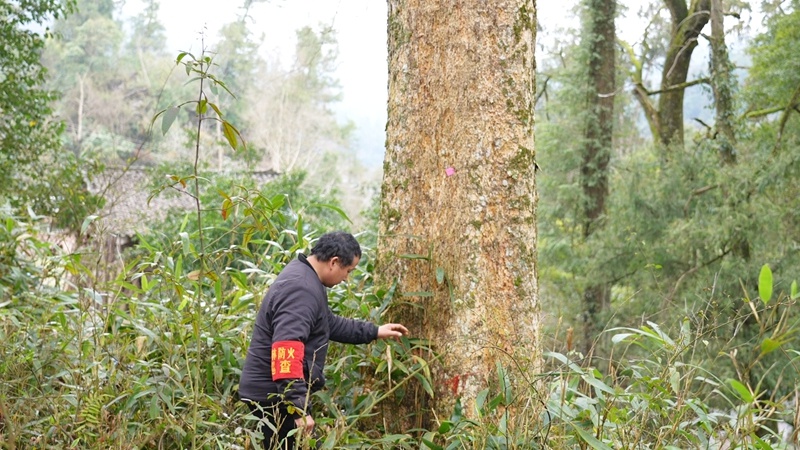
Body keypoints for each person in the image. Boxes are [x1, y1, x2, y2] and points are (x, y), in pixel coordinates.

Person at [239, 231, 408, 449]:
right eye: (348, 271)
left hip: (275, 393)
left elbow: (329, 324)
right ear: (334, 262)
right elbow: (286, 349)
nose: (346, 278)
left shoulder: (305, 276)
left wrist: (374, 331)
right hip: (274, 397)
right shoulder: (301, 288)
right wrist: (298, 408)